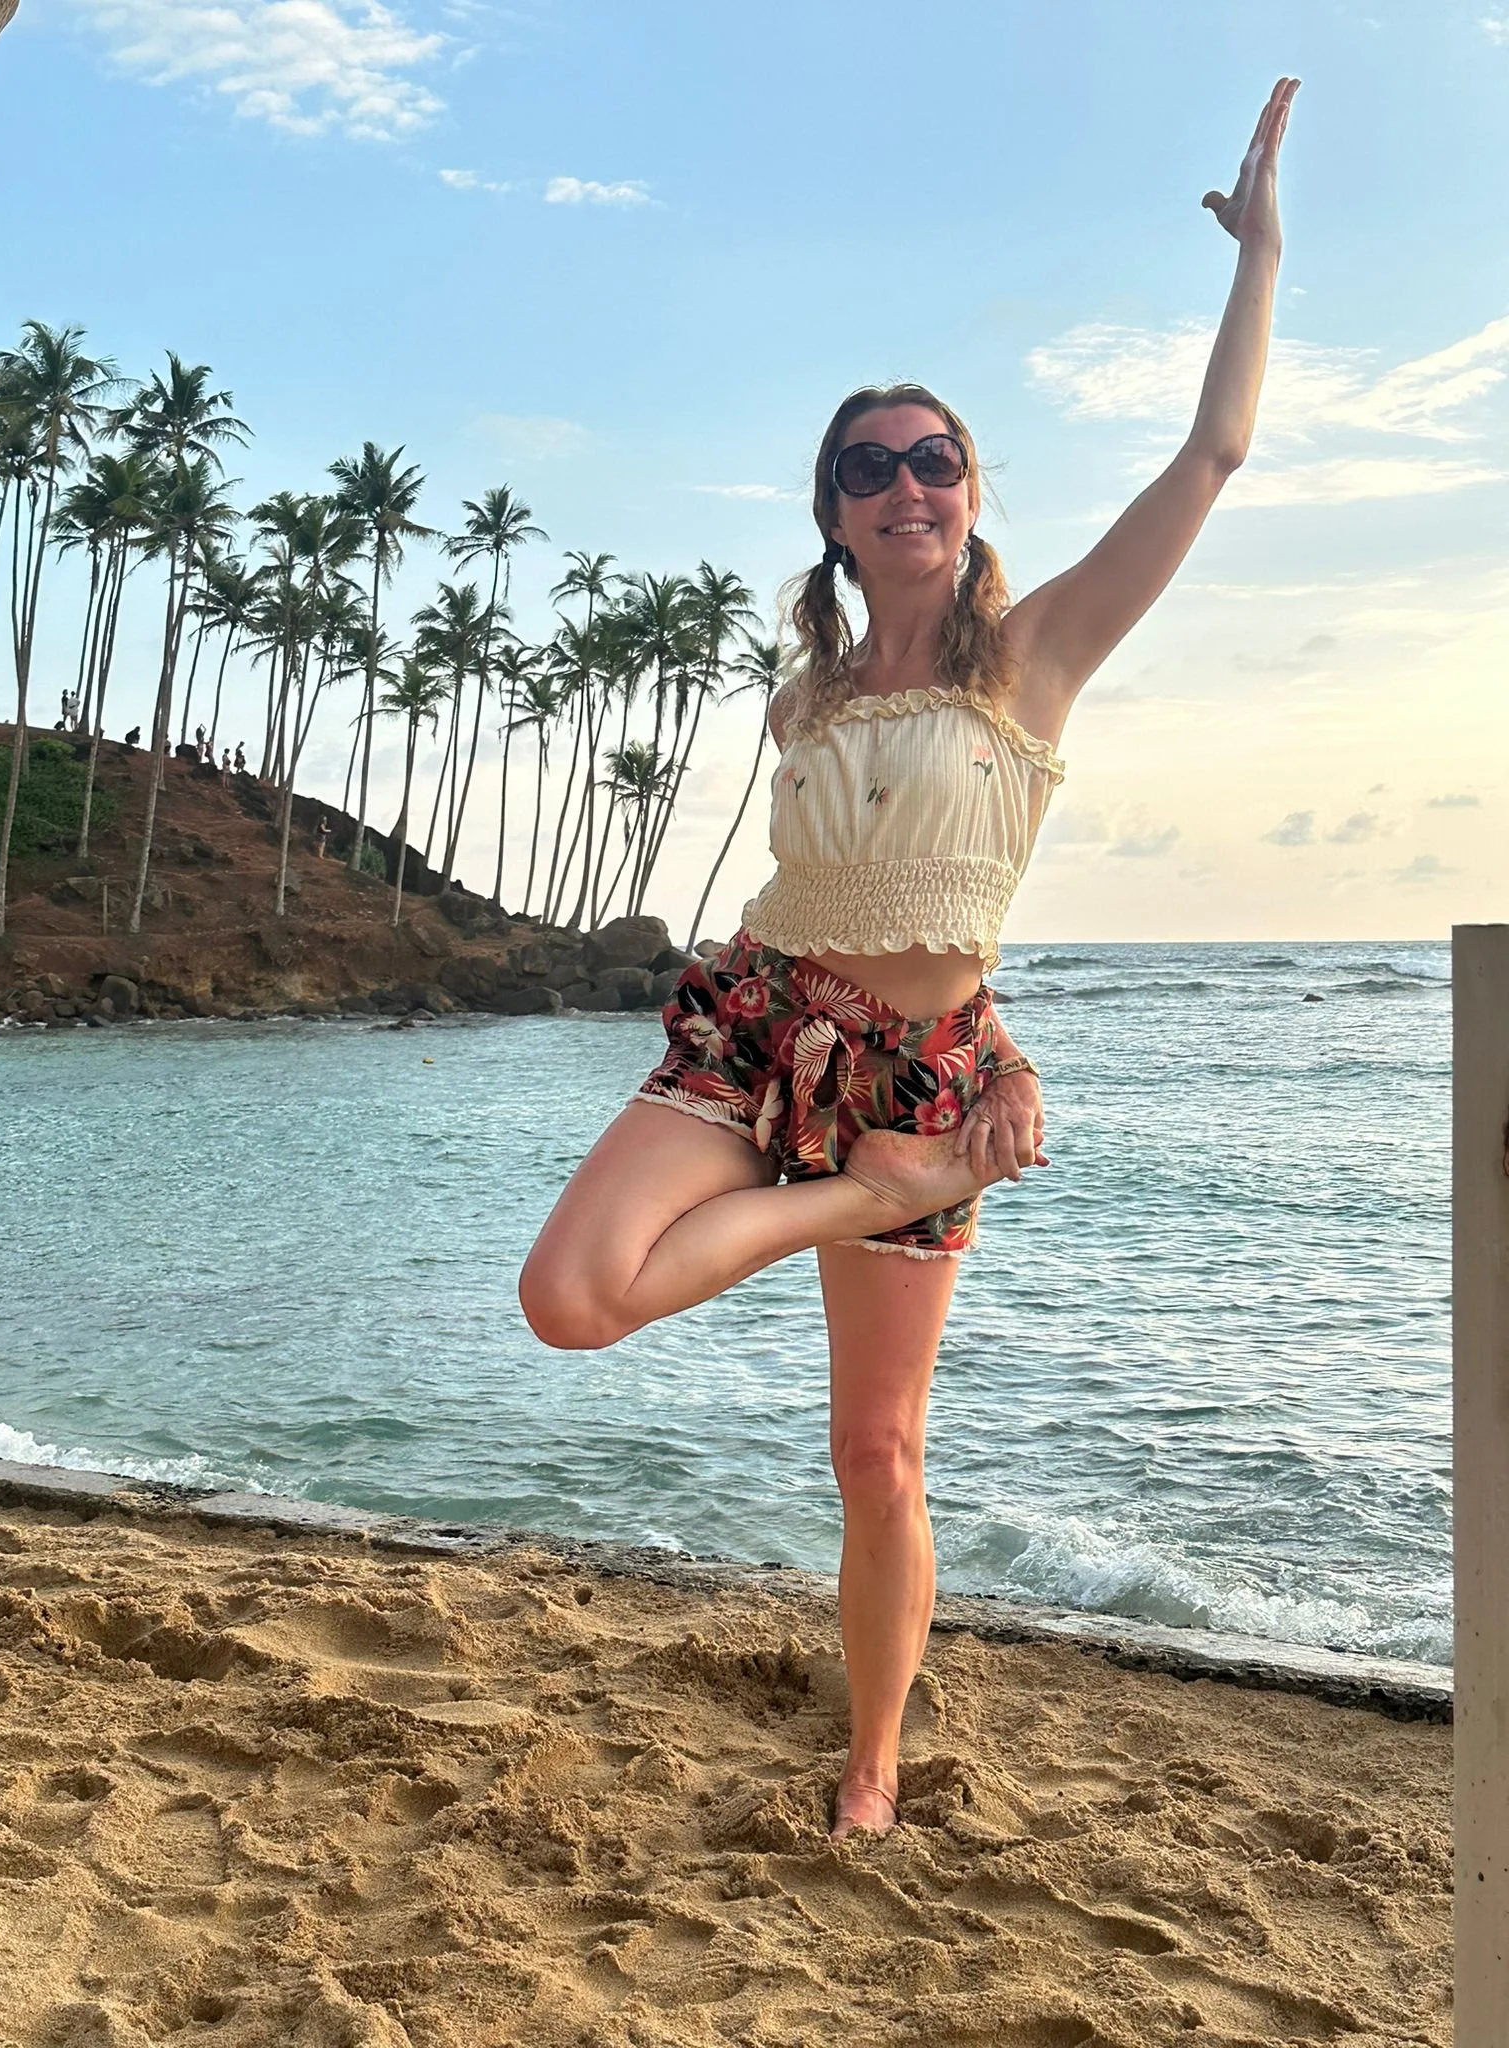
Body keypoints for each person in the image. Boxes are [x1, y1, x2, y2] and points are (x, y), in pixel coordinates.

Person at [519, 79, 1298, 1843]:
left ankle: (871, 1765)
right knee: (568, 1300)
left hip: (915, 1085)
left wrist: (1259, 256)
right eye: (869, 467)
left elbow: (1212, 461)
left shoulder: (1033, 662)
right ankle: (864, 1204)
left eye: (933, 458)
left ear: (967, 491)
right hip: (755, 1028)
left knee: (876, 1456)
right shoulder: (802, 697)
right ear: (835, 513)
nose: (906, 485)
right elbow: (851, 892)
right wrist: (880, 1175)